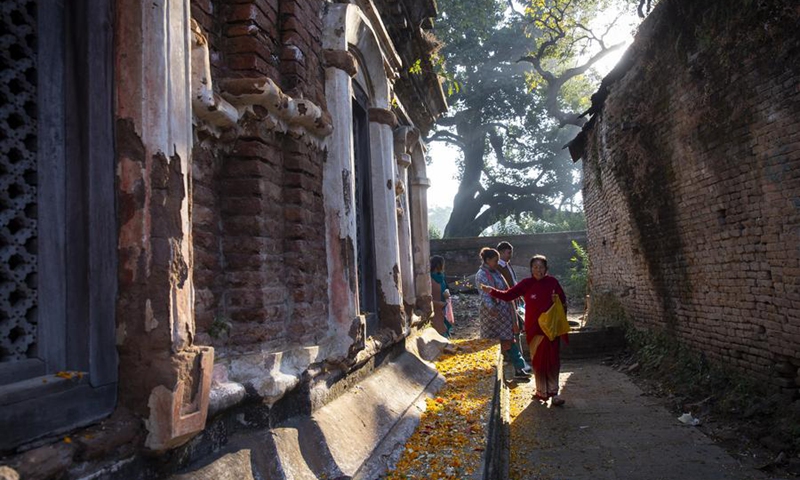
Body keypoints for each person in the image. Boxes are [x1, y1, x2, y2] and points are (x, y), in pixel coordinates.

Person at [481, 254, 568, 406]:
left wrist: (558, 301)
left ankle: (555, 393)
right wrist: (491, 291)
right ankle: (541, 391)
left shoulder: (553, 282)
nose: (538, 270)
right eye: (535, 267)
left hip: (551, 329)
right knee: (538, 362)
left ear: (546, 269)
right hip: (534, 330)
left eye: (541, 267)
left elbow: (563, 301)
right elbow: (509, 296)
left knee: (553, 361)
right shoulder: (526, 284)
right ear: (531, 269)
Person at [475, 248, 530, 378]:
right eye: (495, 260)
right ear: (487, 260)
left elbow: (506, 290)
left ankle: (519, 368)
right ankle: (490, 372)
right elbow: (485, 294)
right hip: (491, 317)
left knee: (510, 340)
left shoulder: (496, 272)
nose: (496, 263)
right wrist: (491, 308)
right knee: (491, 344)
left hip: (504, 313)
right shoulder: (481, 275)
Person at [430, 255, 453, 338]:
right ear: (438, 265)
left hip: (443, 310)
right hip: (433, 311)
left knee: (444, 328)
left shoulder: (442, 277)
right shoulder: (428, 279)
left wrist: (447, 296)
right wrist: (438, 303)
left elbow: (446, 289)